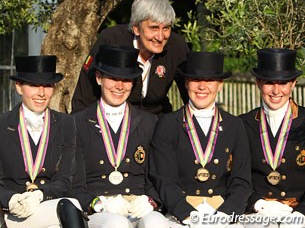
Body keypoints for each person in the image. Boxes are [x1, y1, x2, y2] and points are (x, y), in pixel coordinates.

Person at [149, 51, 252, 227]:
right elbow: (164, 179)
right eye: (196, 80)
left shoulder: (234, 125)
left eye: (210, 81)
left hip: (222, 214)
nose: (202, 86)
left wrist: (226, 215)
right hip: (180, 215)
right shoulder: (168, 123)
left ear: (219, 85)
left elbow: (241, 181)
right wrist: (188, 215)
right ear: (187, 83)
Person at [71, 45, 169, 228]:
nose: (119, 86)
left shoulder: (150, 122)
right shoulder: (77, 123)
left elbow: (158, 174)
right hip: (99, 210)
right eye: (113, 78)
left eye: (126, 80)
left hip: (138, 206)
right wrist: (97, 203)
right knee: (116, 224)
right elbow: (74, 183)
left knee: (157, 223)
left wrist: (152, 200)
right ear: (99, 78)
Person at [0, 55, 87, 228]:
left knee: (68, 208)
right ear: (19, 87)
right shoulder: (2, 125)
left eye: (47, 86)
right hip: (13, 210)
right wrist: (10, 199)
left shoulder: (66, 123)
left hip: (48, 203)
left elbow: (66, 178)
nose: (41, 93)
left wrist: (39, 194)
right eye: (33, 85)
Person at [71, 0, 189, 115]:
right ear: (136, 28)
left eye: (166, 28)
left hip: (156, 123)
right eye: (154, 28)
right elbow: (85, 93)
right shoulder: (111, 40)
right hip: (113, 121)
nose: (160, 37)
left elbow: (191, 91)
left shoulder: (177, 46)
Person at [240, 48, 305, 228]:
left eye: (283, 83)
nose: (276, 91)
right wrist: (257, 204)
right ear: (258, 83)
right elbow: (234, 178)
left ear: (293, 84)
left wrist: (301, 214)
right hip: (257, 214)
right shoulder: (242, 124)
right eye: (269, 82)